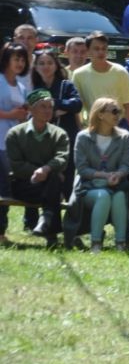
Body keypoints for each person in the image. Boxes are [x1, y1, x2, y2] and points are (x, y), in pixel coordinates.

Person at [7, 89, 69, 248]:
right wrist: (37, 171)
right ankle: (51, 231)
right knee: (54, 183)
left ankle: (46, 221)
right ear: (32, 110)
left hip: (48, 184)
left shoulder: (59, 134)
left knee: (53, 180)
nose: (48, 111)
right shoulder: (15, 134)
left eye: (50, 107)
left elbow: (63, 158)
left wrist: (46, 169)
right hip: (24, 185)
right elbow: (16, 164)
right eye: (43, 106)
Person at [74, 98, 129, 253]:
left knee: (119, 196)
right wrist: (104, 175)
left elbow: (126, 164)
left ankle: (121, 243)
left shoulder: (124, 136)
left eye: (119, 111)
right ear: (100, 114)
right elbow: (82, 169)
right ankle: (96, 243)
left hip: (115, 184)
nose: (118, 115)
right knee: (103, 196)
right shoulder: (83, 137)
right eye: (114, 111)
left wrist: (118, 175)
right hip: (89, 187)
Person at [31, 50, 82, 199]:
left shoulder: (66, 85)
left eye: (49, 63)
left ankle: (69, 219)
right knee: (46, 181)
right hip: (43, 141)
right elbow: (33, 114)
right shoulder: (35, 88)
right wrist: (55, 111)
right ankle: (33, 220)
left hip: (67, 139)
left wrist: (54, 103)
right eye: (41, 63)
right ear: (36, 67)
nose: (46, 66)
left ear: (56, 65)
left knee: (67, 182)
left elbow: (77, 104)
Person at [71, 31, 129, 127]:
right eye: (96, 49)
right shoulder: (78, 75)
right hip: (92, 130)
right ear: (88, 51)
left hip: (117, 129)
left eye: (104, 49)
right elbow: (76, 109)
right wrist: (81, 129)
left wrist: (125, 131)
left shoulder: (120, 72)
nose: (101, 52)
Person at [0, 43, 30, 243]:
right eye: (15, 59)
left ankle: (2, 230)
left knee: (6, 187)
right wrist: (11, 114)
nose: (19, 63)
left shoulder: (21, 86)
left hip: (11, 143)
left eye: (22, 59)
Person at [12, 24, 38, 89]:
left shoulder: (43, 64)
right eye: (21, 38)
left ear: (36, 40)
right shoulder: (5, 65)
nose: (25, 42)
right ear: (15, 40)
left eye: (30, 38)